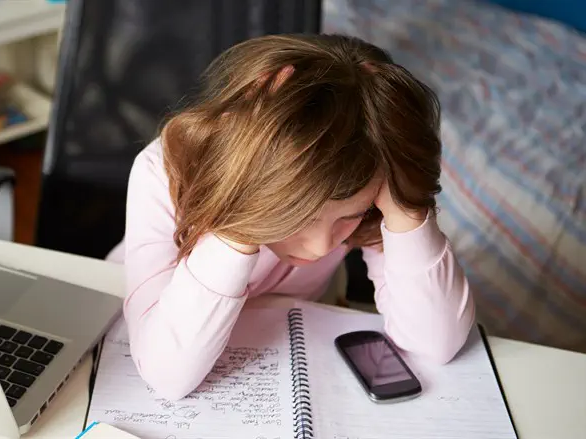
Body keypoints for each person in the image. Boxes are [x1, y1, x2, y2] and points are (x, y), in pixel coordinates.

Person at [108, 34, 475, 401]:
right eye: (297, 218)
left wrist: (405, 207)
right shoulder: (161, 171)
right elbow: (166, 376)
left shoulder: (368, 181)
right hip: (130, 320)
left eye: (348, 216)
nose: (321, 247)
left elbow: (435, 345)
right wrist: (245, 203)